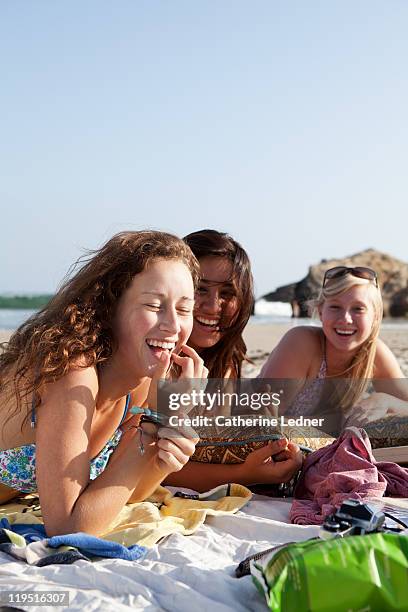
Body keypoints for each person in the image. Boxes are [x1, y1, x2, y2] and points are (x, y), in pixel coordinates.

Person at [0, 231, 206, 536]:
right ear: (109, 307)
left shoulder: (141, 382)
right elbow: (68, 526)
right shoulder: (72, 372)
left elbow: (127, 494)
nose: (173, 326)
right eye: (153, 305)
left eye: (184, 309)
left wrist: (164, 440)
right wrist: (152, 423)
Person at [164, 229, 303, 491]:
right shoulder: (153, 359)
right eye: (200, 289)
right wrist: (245, 474)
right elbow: (155, 470)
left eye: (228, 293)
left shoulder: (225, 359)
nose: (213, 305)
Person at [259, 266, 408, 431]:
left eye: (358, 309)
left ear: (375, 316)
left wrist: (385, 401)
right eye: (335, 307)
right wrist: (334, 422)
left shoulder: (373, 353)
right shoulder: (301, 343)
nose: (345, 318)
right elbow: (260, 421)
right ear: (321, 311)